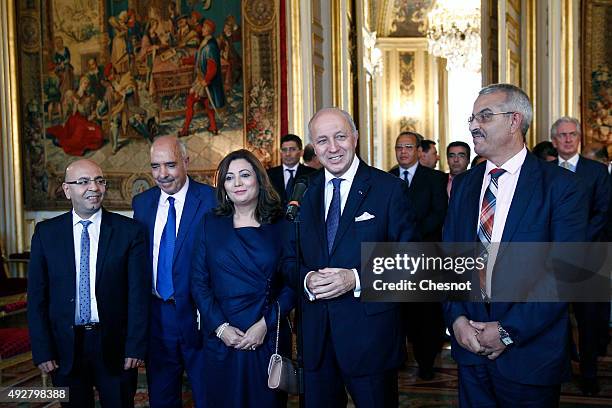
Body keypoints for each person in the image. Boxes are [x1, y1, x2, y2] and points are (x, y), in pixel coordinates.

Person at [444, 84, 589, 406]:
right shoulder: (465, 184)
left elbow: (568, 273)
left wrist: (508, 330)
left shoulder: (562, 186)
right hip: (470, 352)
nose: (472, 125)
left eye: (484, 116)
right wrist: (457, 320)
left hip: (530, 355)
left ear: (514, 121)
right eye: (472, 117)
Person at [282, 107, 418, 407]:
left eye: (340, 137)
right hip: (316, 340)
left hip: (370, 339)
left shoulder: (388, 189)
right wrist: (306, 278)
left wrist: (354, 279)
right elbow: (288, 258)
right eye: (322, 141)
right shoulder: (304, 190)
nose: (332, 148)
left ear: (355, 137)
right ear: (313, 147)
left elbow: (410, 260)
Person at [28, 159, 149, 407]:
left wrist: (135, 346)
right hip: (65, 348)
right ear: (66, 189)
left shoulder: (129, 231)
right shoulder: (46, 233)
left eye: (99, 180)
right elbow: (37, 298)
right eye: (83, 182)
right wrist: (42, 349)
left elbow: (138, 295)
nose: (93, 187)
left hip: (115, 345)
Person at [191, 149, 295, 407]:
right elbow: (199, 282)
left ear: (259, 179)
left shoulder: (282, 224)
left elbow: (292, 284)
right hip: (222, 338)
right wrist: (220, 327)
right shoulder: (209, 223)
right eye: (229, 177)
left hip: (267, 335)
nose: (237, 183)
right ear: (223, 186)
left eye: (244, 175)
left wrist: (264, 325)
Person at [132, 135, 216, 408]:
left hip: (199, 316)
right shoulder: (142, 203)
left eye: (170, 165)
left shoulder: (212, 200)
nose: (162, 174)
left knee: (209, 395)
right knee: (162, 397)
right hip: (158, 317)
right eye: (155, 166)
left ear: (186, 162)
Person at [550, 116, 611, 395]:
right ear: (554, 140)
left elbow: (603, 213)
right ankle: (556, 370)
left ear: (579, 138)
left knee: (589, 321)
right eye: (561, 135)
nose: (567, 139)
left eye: (572, 134)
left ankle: (588, 374)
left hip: (590, 257)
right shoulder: (543, 171)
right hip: (550, 259)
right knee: (553, 318)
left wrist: (574, 245)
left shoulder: (597, 172)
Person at [389, 131, 447, 379]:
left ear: (418, 151)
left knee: (425, 314)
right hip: (392, 256)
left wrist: (409, 237)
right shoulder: (386, 178)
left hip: (425, 253)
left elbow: (438, 213)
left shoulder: (434, 179)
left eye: (408, 147)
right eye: (399, 147)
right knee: (396, 313)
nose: (403, 152)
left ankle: (425, 362)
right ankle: (397, 358)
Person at [179, 19, 225, 136]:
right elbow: (197, 58)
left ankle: (185, 130)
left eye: (204, 28)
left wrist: (206, 81)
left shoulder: (210, 47)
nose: (202, 29)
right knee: (207, 103)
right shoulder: (206, 42)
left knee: (190, 101)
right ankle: (213, 127)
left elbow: (213, 67)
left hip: (204, 81)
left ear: (209, 30)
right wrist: (184, 61)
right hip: (202, 79)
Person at [267, 134, 316, 205]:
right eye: (284, 150)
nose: (287, 154)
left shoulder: (312, 174)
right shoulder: (268, 174)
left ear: (301, 152)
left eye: (292, 149)